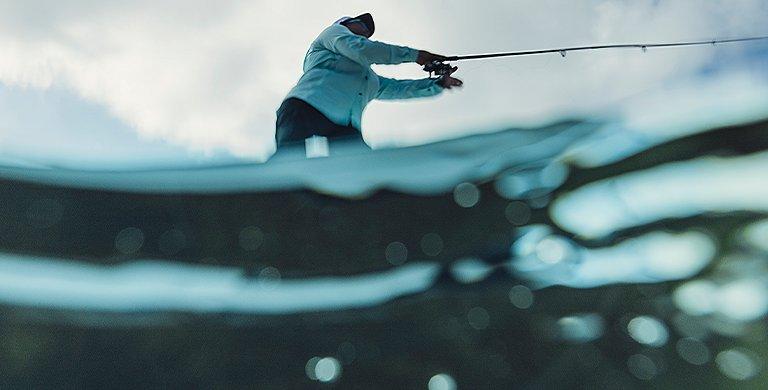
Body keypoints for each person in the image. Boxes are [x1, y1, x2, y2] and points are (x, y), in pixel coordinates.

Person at [275, 13, 463, 149]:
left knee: (357, 175)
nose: (366, 29)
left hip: (346, 126)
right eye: (360, 23)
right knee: (289, 164)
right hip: (305, 106)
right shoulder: (332, 33)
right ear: (343, 24)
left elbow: (398, 89)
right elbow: (362, 49)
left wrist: (438, 84)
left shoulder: (369, 79)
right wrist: (416, 55)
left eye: (368, 29)